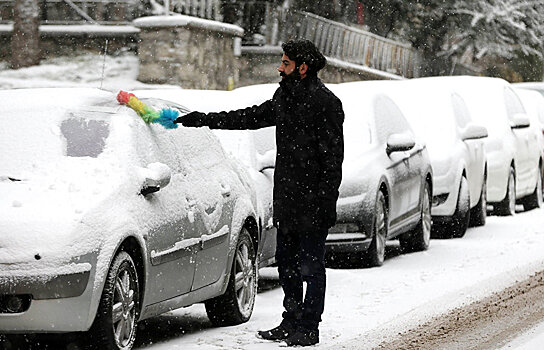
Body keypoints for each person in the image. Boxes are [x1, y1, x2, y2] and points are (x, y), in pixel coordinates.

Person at [175, 39, 344, 347]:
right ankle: (290, 319)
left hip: (313, 204)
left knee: (311, 266)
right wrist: (205, 120)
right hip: (288, 198)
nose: (280, 68)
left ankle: (309, 326)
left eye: (286, 63)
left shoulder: (326, 104)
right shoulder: (285, 97)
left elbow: (333, 161)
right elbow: (249, 117)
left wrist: (325, 204)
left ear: (302, 68)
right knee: (287, 263)